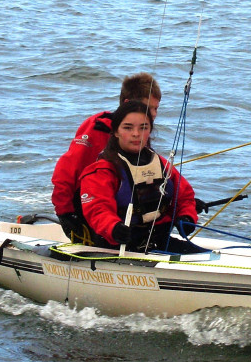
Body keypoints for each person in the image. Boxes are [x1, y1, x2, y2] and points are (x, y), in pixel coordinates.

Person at [79, 100, 200, 254]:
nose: (136, 134)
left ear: (150, 130)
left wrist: (187, 217)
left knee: (206, 256)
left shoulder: (162, 164)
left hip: (157, 240)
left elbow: (185, 197)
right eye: (128, 128)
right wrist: (114, 228)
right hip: (117, 246)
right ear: (116, 131)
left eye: (143, 128)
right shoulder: (101, 171)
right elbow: (97, 210)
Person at [51, 72, 161, 240]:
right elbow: (66, 171)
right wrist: (65, 212)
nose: (153, 114)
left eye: (156, 108)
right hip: (89, 206)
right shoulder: (97, 129)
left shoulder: (140, 134)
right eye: (148, 108)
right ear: (128, 103)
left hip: (123, 209)